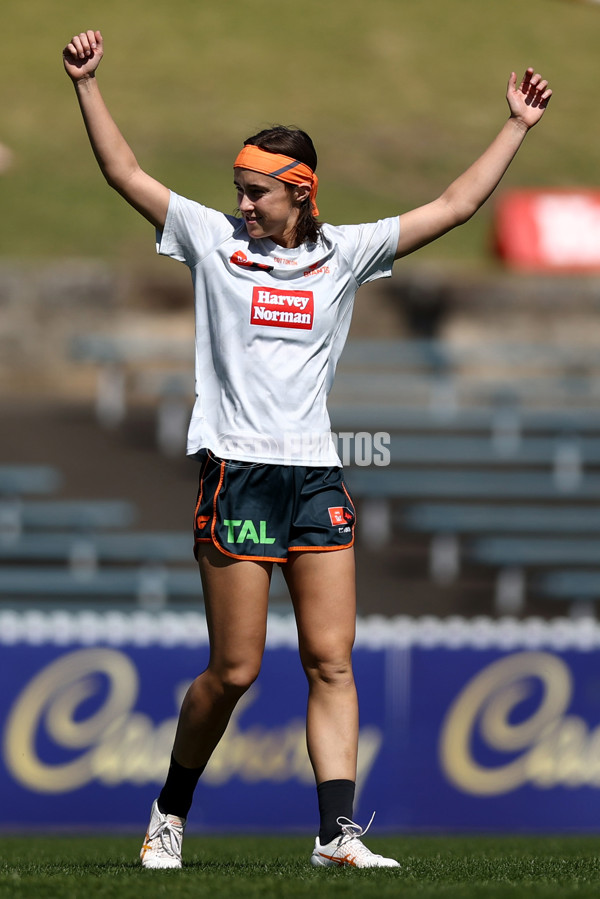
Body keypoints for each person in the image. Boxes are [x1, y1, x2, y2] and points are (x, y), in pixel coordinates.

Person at [63, 29, 552, 870]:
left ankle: (336, 834)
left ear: (300, 192)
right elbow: (124, 173)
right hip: (238, 474)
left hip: (316, 476)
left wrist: (515, 126)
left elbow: (453, 207)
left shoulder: (344, 254)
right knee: (235, 669)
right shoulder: (212, 240)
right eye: (239, 189)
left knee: (332, 659)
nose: (243, 203)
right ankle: (169, 813)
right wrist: (87, 84)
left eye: (256, 192)